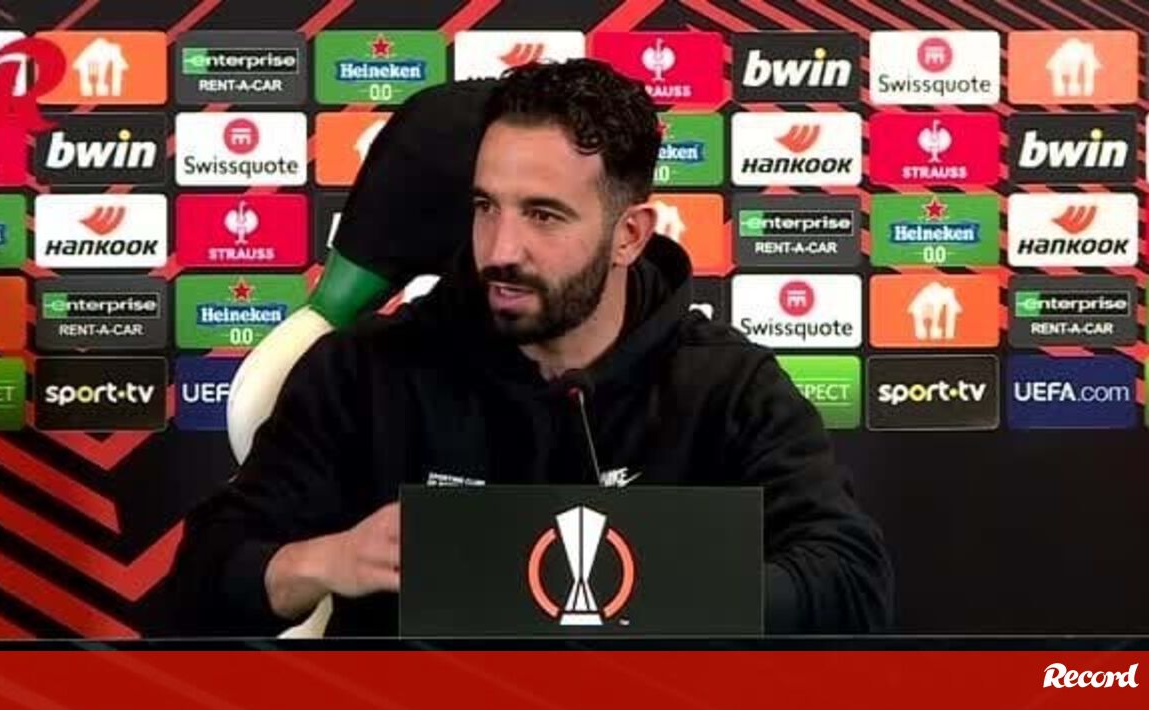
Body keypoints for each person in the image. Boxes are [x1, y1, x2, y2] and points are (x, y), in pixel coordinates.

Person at [167, 59, 893, 636]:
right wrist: (325, 561)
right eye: (486, 207)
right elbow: (201, 582)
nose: (500, 249)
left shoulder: (726, 384)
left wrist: (664, 579)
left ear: (629, 236)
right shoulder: (364, 373)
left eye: (543, 215)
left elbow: (853, 585)